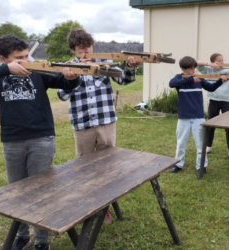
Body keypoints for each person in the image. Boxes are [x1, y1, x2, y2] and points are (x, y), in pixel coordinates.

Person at [0, 35, 81, 250]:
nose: (26, 60)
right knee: (17, 192)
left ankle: (42, 241)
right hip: (12, 140)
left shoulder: (36, 71)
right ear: (3, 59)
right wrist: (6, 70)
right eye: (19, 58)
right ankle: (21, 236)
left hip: (42, 137)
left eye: (26, 55)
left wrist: (71, 77)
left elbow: (65, 82)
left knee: (40, 192)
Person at [57, 28, 140, 224]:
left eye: (88, 48)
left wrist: (131, 66)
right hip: (83, 125)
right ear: (73, 50)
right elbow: (61, 95)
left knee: (108, 168)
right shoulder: (67, 67)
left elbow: (125, 79)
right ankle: (89, 208)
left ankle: (105, 209)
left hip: (106, 123)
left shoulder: (106, 63)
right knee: (84, 168)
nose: (86, 53)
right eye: (81, 50)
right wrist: (72, 79)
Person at [169, 56, 227, 177]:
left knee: (200, 144)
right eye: (190, 69)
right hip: (183, 117)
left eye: (194, 68)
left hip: (198, 117)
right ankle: (178, 164)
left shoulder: (199, 79)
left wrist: (220, 81)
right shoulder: (180, 78)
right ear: (183, 69)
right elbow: (171, 84)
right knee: (181, 143)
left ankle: (201, 166)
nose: (193, 71)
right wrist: (189, 80)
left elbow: (211, 88)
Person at [197, 53, 229, 154]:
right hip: (213, 100)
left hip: (226, 101)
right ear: (213, 62)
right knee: (211, 124)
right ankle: (208, 146)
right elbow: (195, 63)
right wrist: (209, 65)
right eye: (219, 60)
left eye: (222, 60)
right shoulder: (208, 69)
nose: (221, 62)